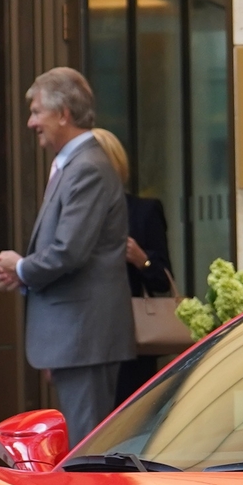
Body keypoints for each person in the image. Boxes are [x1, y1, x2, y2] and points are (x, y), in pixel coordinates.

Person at [0, 69, 131, 435]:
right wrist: (20, 274)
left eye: (37, 111)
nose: (31, 122)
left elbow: (70, 251)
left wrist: (21, 268)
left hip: (85, 339)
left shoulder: (87, 167)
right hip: (77, 339)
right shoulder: (76, 165)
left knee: (88, 450)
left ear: (64, 114)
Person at [92, 126, 176, 399]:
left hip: (132, 341)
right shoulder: (73, 215)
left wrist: (142, 259)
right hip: (86, 338)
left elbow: (163, 280)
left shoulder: (143, 212)